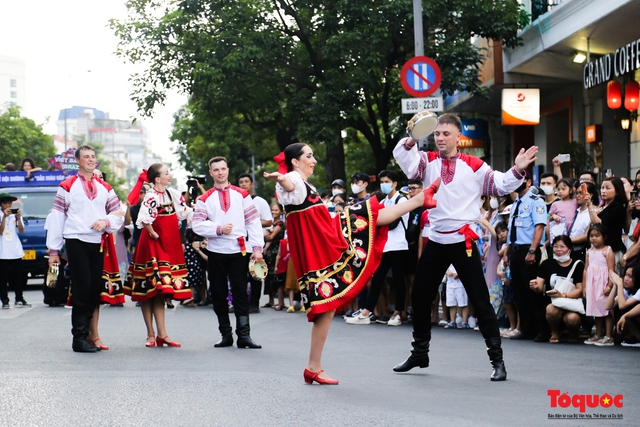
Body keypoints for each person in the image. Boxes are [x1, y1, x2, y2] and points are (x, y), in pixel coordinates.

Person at [264, 143, 437, 385]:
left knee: (368, 218)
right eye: (309, 156)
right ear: (295, 161)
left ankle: (313, 366)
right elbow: (289, 185)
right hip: (320, 244)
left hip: (324, 235)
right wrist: (282, 179)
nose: (313, 160)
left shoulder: (304, 183)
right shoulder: (294, 178)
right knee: (326, 304)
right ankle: (313, 366)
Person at [392, 112, 538, 381]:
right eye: (436, 133)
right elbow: (402, 155)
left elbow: (500, 184)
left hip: (464, 239)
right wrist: (413, 138)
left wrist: (517, 169)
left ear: (459, 137)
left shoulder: (474, 164)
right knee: (421, 295)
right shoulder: (425, 161)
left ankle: (498, 361)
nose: (440, 138)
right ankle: (420, 352)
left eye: (446, 133)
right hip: (436, 238)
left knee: (481, 301)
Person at [46, 145, 124, 352]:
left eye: (92, 157)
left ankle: (88, 336)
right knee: (82, 288)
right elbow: (57, 217)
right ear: (78, 161)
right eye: (86, 157)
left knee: (92, 289)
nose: (90, 160)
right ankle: (78, 339)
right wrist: (54, 251)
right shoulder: (67, 185)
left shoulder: (105, 187)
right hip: (76, 240)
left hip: (97, 242)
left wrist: (105, 222)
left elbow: (118, 212)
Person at [192, 157, 265, 349]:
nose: (220, 173)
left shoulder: (242, 195)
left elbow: (253, 222)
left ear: (228, 170)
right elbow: (197, 224)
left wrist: (257, 249)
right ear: (211, 173)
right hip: (216, 251)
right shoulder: (204, 198)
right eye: (216, 170)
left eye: (223, 169)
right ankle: (225, 334)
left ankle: (244, 336)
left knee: (241, 293)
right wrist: (218, 228)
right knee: (218, 293)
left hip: (239, 250)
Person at [124, 164, 193, 348]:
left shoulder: (172, 194)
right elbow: (144, 219)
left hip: (168, 246)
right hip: (152, 246)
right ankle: (150, 334)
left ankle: (162, 334)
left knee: (161, 290)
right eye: (166, 173)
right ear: (157, 178)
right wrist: (152, 232)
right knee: (147, 290)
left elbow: (184, 213)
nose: (169, 176)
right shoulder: (151, 197)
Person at [346, 170, 408, 326]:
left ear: (395, 183)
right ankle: (366, 311)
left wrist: (382, 219)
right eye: (382, 182)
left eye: (387, 181)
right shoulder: (384, 201)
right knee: (377, 279)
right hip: (385, 245)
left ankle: (398, 313)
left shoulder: (401, 200)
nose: (384, 185)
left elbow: (392, 222)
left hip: (399, 245)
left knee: (399, 280)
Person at [507, 172, 548, 341]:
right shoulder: (516, 202)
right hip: (515, 251)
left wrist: (532, 251)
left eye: (520, 180)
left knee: (533, 291)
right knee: (519, 292)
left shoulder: (535, 201)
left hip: (528, 250)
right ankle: (527, 328)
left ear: (529, 182)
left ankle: (542, 330)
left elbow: (539, 227)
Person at [530, 235, 584, 343]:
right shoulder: (546, 264)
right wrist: (535, 286)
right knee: (552, 309)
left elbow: (580, 290)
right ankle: (554, 331)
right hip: (553, 302)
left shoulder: (577, 264)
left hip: (571, 301)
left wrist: (563, 295)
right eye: (555, 246)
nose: (558, 250)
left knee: (572, 319)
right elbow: (539, 285)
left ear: (570, 249)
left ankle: (573, 331)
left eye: (562, 247)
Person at [238, 172, 272, 313]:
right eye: (241, 182)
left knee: (255, 275)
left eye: (246, 181)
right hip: (239, 245)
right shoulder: (236, 201)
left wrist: (253, 222)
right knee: (239, 276)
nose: (244, 184)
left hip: (254, 244)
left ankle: (254, 304)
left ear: (252, 184)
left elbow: (269, 220)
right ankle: (240, 304)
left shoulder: (260, 201)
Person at [583, 224, 615, 347]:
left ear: (604, 237)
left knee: (606, 309)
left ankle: (608, 336)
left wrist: (609, 286)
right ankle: (598, 334)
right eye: (592, 236)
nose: (594, 238)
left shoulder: (607, 251)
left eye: (597, 235)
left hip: (603, 284)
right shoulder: (589, 252)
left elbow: (611, 270)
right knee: (597, 309)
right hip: (592, 285)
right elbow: (586, 269)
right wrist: (585, 286)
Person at [588, 177, 627, 272]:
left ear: (617, 191)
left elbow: (599, 224)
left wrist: (589, 204)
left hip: (612, 250)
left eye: (608, 188)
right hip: (598, 249)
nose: (603, 191)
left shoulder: (617, 206)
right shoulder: (602, 206)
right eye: (602, 188)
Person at [0, 193, 30, 309]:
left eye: (9, 203)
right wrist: (4, 218)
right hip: (2, 252)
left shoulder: (15, 214)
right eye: (5, 203)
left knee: (18, 277)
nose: (7, 205)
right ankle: (5, 300)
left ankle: (19, 298)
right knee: (3, 278)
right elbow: (1, 231)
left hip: (15, 250)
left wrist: (18, 218)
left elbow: (21, 231)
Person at [606, 266, 640, 345]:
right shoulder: (626, 291)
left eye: (630, 276)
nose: (626, 278)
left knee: (625, 309)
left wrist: (620, 284)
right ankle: (635, 337)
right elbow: (608, 306)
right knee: (617, 309)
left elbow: (622, 306)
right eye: (625, 275)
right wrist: (615, 284)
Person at [262, 204, 285, 308]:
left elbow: (271, 237)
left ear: (281, 211)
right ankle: (270, 300)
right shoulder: (271, 223)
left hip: (276, 251)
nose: (274, 212)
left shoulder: (280, 223)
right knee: (268, 275)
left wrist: (265, 237)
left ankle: (279, 300)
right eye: (272, 210)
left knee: (275, 274)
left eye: (276, 210)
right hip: (268, 252)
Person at [548, 178, 578, 244]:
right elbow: (549, 217)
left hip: (574, 231)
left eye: (563, 189)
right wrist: (554, 216)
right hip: (561, 231)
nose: (560, 191)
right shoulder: (555, 204)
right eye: (558, 189)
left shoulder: (576, 201)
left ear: (570, 190)